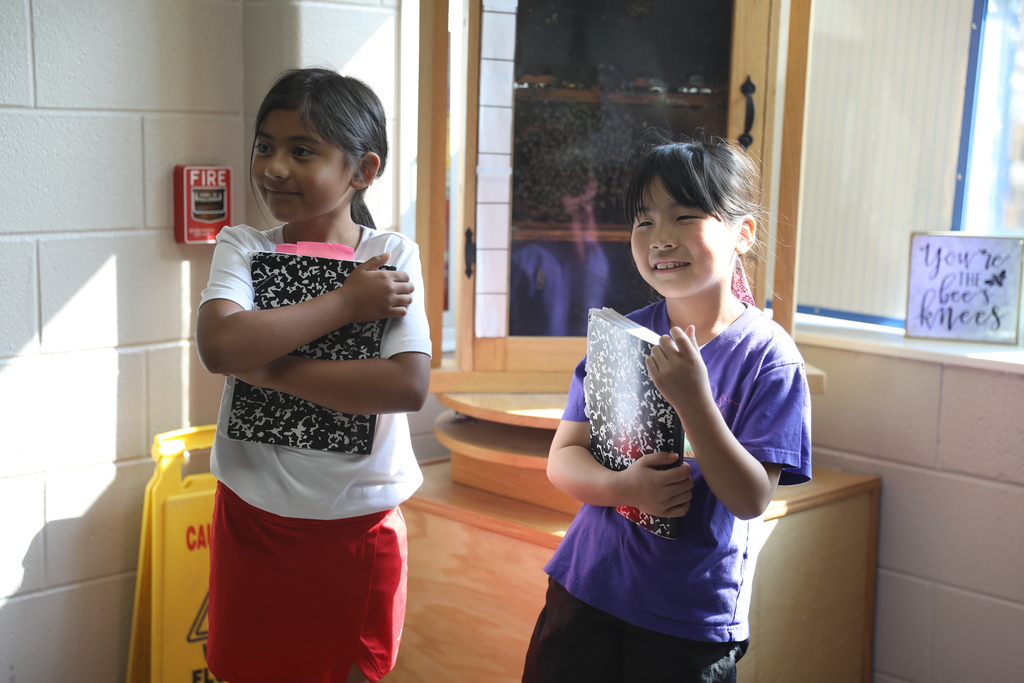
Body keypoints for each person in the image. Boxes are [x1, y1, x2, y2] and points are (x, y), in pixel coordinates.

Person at [522, 130, 812, 683]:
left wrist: (695, 402)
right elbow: (564, 457)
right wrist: (622, 488)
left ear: (742, 234)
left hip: (687, 618)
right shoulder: (623, 335)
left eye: (684, 217)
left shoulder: (769, 358)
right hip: (586, 586)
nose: (659, 237)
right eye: (644, 220)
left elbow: (750, 498)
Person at [195, 67, 431, 683]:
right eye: (265, 145)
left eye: (302, 151)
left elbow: (404, 385)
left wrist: (266, 366)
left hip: (356, 526)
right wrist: (346, 307)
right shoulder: (243, 245)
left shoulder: (390, 257)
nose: (274, 167)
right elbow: (221, 345)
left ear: (364, 170)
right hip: (249, 518)